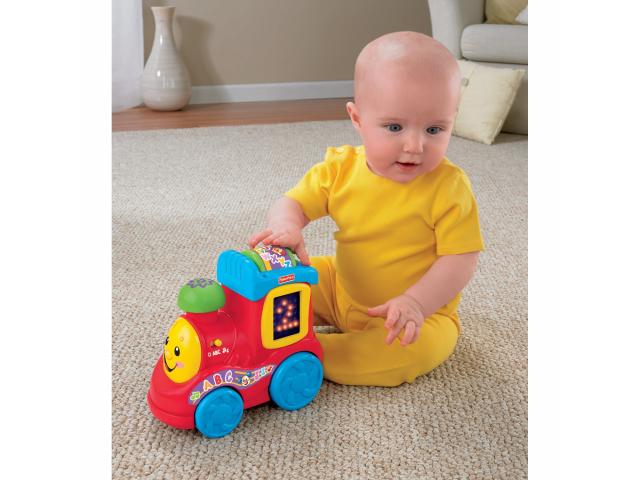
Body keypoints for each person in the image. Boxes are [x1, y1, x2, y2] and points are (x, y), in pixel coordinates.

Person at [248, 31, 484, 387]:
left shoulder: (449, 187)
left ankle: (307, 353)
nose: (415, 145)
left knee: (410, 351)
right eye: (394, 127)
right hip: (340, 288)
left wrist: (417, 303)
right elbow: (293, 202)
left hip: (415, 314)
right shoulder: (340, 168)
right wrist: (287, 226)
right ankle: (252, 326)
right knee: (280, 285)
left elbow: (461, 259)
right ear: (357, 118)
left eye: (435, 129)